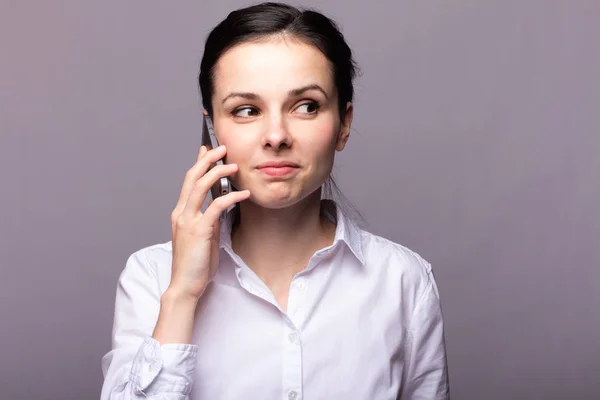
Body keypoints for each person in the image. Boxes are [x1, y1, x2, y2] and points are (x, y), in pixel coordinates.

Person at [100, 2, 449, 399]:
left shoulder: (403, 281)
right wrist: (182, 295)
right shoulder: (152, 277)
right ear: (213, 129)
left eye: (306, 106)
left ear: (343, 124)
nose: (276, 135)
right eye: (246, 110)